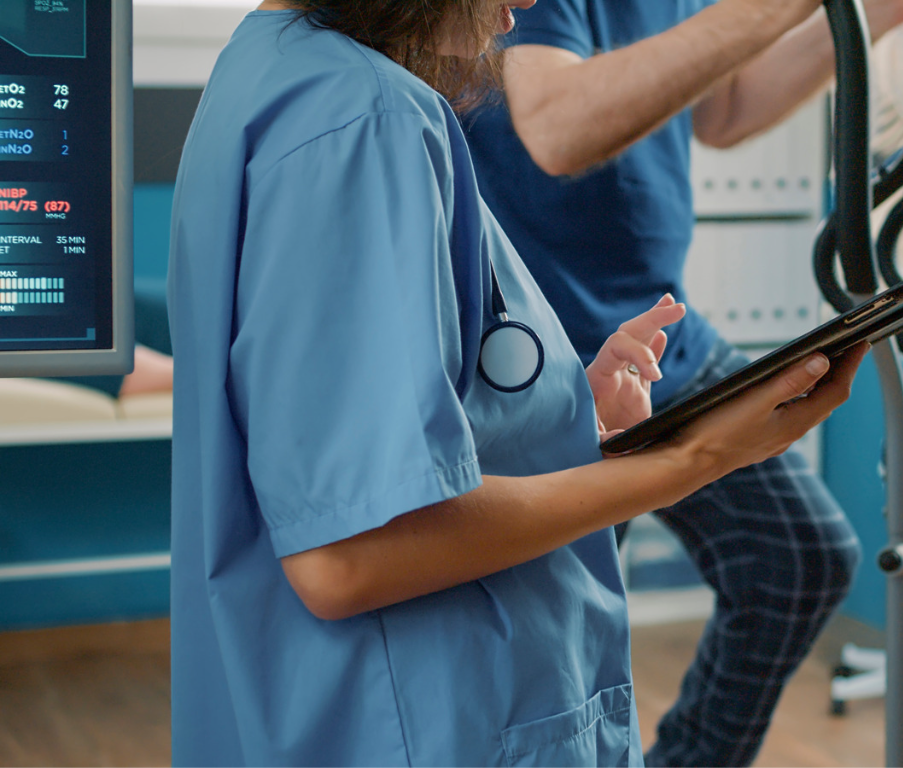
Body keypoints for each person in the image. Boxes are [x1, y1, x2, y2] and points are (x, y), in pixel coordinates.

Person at [166, 0, 866, 765]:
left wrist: (553, 415)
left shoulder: (274, 68)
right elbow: (352, 553)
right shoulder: (368, 118)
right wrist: (691, 461)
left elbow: (321, 426)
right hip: (414, 720)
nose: (532, 3)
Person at [463, 0, 903, 763]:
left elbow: (725, 108)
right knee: (559, 647)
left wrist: (873, 13)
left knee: (796, 555)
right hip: (544, 354)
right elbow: (555, 127)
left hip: (655, 327)